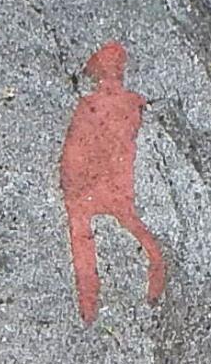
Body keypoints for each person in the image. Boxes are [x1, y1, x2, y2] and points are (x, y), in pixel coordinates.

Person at [60, 42, 168, 322]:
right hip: (119, 180)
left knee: (82, 238)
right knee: (134, 226)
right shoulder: (133, 103)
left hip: (88, 184)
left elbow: (75, 146)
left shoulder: (89, 105)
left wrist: (71, 185)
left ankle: (88, 307)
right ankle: (156, 272)